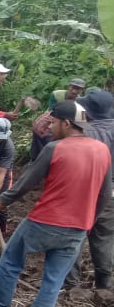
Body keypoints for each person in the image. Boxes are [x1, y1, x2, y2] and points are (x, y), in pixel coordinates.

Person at [0, 101, 112, 307]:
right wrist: (90, 221)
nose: (51, 127)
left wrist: (3, 201)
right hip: (77, 228)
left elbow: (27, 182)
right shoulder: (102, 150)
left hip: (45, 220)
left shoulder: (55, 148)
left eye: (55, 122)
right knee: (54, 280)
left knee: (11, 260)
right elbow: (104, 192)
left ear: (67, 123)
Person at [66, 89, 114, 289]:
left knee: (74, 236)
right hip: (111, 194)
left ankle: (70, 287)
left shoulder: (83, 132)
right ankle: (104, 286)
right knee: (104, 239)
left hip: (83, 192)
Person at [31, 78, 87, 161]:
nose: (74, 91)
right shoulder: (57, 94)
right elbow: (52, 110)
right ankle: (35, 160)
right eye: (73, 87)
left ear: (82, 90)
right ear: (69, 86)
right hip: (52, 118)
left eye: (78, 89)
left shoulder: (81, 102)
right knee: (39, 133)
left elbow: (82, 120)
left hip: (67, 124)